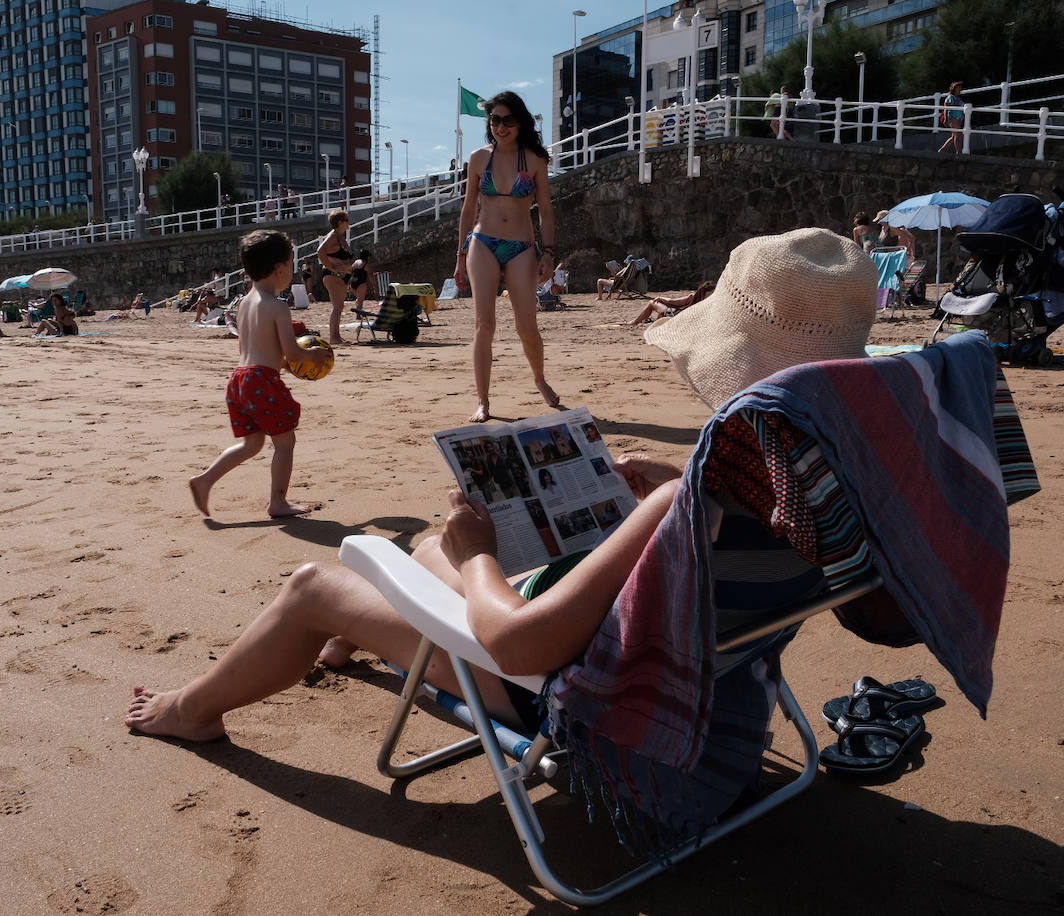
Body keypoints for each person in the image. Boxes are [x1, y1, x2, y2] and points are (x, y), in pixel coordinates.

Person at [125, 228, 880, 783]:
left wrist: (479, 553)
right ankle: (353, 634)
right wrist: (674, 479)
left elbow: (523, 648)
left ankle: (194, 709)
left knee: (317, 582)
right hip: (713, 683)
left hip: (586, 699)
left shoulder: (697, 500)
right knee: (420, 553)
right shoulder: (831, 483)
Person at [187, 230, 332, 520]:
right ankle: (278, 502)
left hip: (239, 379)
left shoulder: (243, 304)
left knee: (251, 444)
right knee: (285, 442)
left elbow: (253, 349)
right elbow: (291, 354)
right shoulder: (277, 306)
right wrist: (313, 356)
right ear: (280, 269)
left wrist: (285, 364)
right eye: (291, 265)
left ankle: (204, 480)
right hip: (261, 381)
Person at [453, 91, 560, 423]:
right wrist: (459, 255)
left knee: (527, 327)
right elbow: (468, 208)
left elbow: (544, 210)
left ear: (520, 122)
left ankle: (539, 378)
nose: (500, 126)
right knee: (484, 324)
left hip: (521, 247)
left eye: (508, 120)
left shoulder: (535, 160)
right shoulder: (478, 158)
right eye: (495, 119)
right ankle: (483, 401)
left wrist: (550, 253)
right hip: (482, 242)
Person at [317, 209, 355, 345]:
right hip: (333, 275)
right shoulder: (333, 235)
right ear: (340, 222)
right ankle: (333, 338)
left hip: (339, 276)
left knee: (339, 306)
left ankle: (337, 336)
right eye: (347, 220)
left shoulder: (340, 236)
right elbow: (320, 251)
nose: (348, 223)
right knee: (337, 306)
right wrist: (331, 267)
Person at [626, 281, 715, 326]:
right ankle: (641, 320)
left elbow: (672, 302)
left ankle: (635, 322)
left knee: (651, 303)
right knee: (660, 303)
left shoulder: (693, 297)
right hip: (684, 321)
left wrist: (660, 298)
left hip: (673, 317)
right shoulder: (710, 303)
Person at [938, 81, 966, 154]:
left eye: (960, 88)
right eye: (958, 87)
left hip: (958, 119)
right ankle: (958, 152)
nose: (960, 89)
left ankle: (942, 150)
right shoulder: (950, 97)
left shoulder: (958, 98)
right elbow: (946, 108)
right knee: (957, 135)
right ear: (954, 88)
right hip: (953, 118)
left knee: (954, 136)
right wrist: (946, 119)